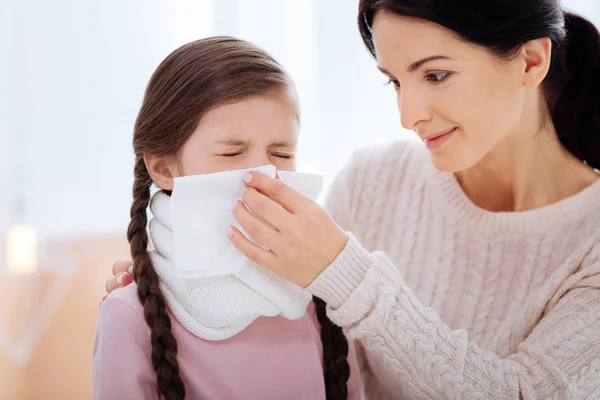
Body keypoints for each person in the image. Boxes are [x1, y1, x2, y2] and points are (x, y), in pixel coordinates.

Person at [106, 0, 600, 398]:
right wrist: (157, 289)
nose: (407, 115)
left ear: (531, 61)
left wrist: (347, 272)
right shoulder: (374, 181)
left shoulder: (591, 242)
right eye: (395, 81)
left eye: (435, 75)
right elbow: (276, 294)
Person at [94, 37, 362, 400]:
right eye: (232, 152)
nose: (262, 175)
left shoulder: (322, 298)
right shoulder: (129, 316)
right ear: (162, 167)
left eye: (281, 153)